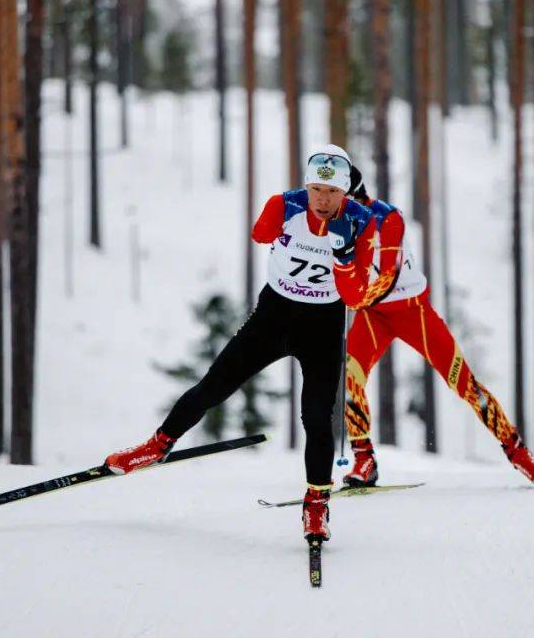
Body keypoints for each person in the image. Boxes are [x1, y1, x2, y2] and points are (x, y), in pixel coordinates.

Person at [105, 146, 375, 544]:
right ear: (307, 185)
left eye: (332, 192)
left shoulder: (360, 222)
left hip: (323, 323)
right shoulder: (287, 205)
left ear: (345, 193)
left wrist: (345, 255)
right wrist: (280, 216)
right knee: (214, 385)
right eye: (316, 189)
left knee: (317, 416)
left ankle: (316, 504)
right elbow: (260, 234)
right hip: (276, 315)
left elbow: (354, 296)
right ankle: (156, 446)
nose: (323, 200)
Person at [337, 166, 534, 490]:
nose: (335, 206)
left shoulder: (387, 218)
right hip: (372, 316)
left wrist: (356, 296)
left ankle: (519, 454)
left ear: (355, 193)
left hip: (412, 312)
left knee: (464, 383)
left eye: (340, 197)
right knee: (351, 375)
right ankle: (363, 458)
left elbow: (388, 278)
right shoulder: (335, 221)